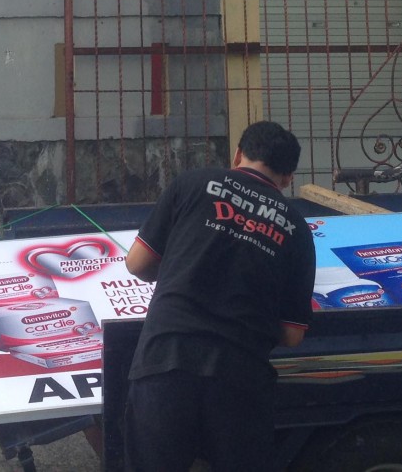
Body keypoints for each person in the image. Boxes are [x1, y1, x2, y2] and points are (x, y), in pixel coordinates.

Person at [121, 120, 316, 472]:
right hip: (241, 379)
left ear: (238, 154)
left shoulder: (192, 183)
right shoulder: (297, 229)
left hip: (165, 361)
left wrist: (179, 273)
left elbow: (137, 263)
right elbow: (292, 334)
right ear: (288, 178)